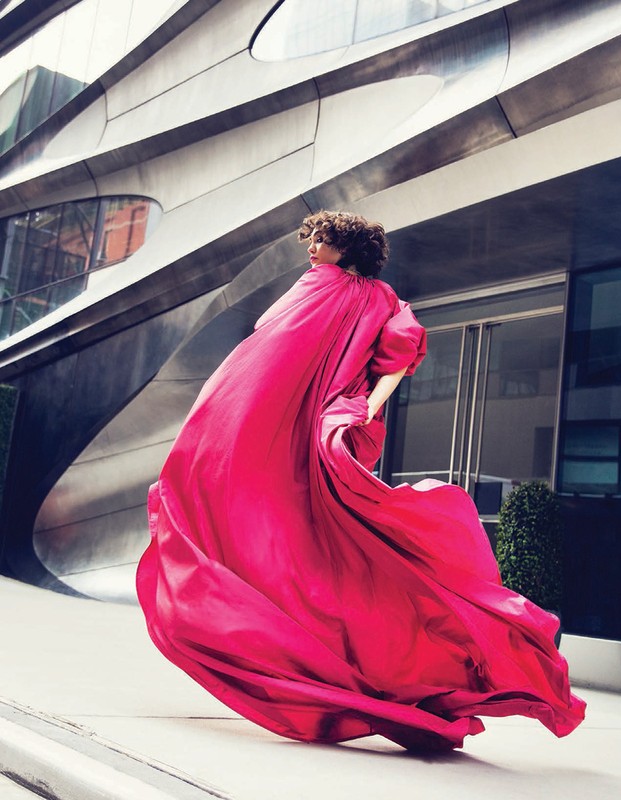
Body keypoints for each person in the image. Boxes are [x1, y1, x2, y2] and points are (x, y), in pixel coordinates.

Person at [136, 210, 585, 752]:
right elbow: (269, 343)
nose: (311, 248)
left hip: (316, 415)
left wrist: (367, 407)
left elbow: (395, 358)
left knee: (339, 529)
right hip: (269, 408)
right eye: (311, 239)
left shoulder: (380, 300)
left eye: (321, 240)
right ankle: (271, 616)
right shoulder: (322, 285)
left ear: (346, 246)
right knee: (241, 499)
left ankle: (403, 659)